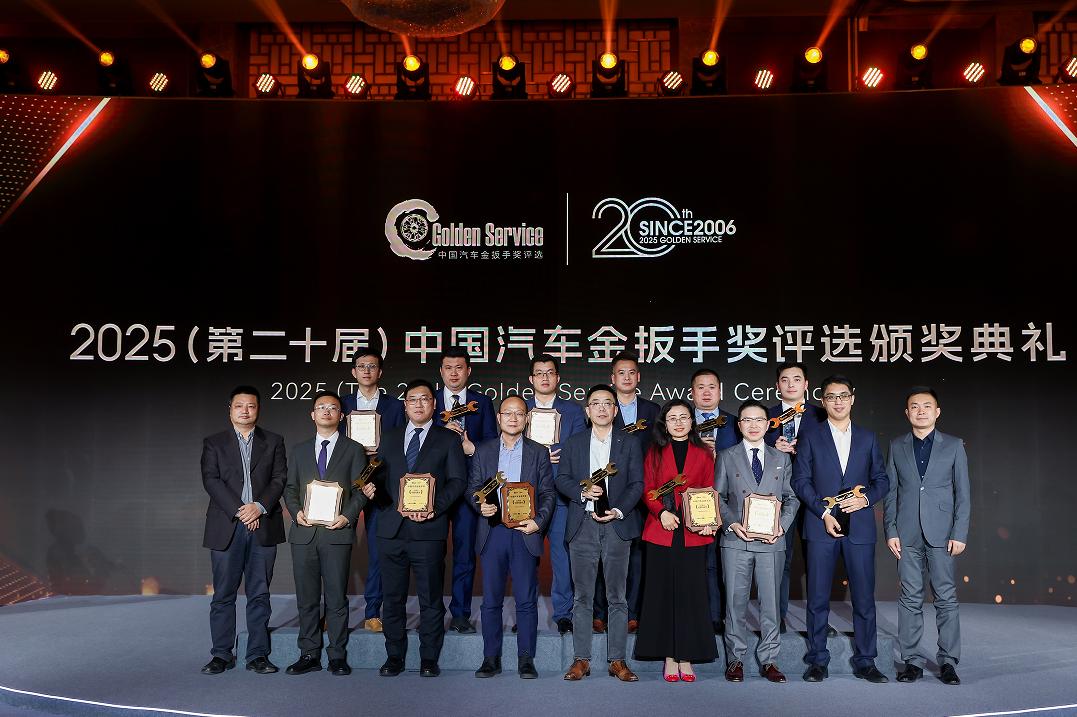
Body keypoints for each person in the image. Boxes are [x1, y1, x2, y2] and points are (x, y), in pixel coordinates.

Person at [792, 375, 890, 683]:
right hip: (820, 525)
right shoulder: (810, 435)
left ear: (852, 398)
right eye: (831, 397)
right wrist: (823, 513)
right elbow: (800, 481)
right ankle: (817, 660)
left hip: (859, 527)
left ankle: (866, 660)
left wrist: (865, 500)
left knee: (863, 599)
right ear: (823, 401)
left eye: (843, 395)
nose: (838, 401)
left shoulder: (867, 437)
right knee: (818, 598)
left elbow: (882, 480)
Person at [373, 379, 467, 678]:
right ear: (405, 405)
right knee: (393, 598)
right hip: (391, 530)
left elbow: (458, 482)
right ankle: (394, 657)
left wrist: (433, 507)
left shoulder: (448, 439)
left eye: (424, 399)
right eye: (412, 399)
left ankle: (428, 658)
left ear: (434, 404)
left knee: (430, 599)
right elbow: (380, 480)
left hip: (428, 530)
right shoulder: (388, 438)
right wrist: (375, 492)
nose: (418, 404)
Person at [283, 391, 374, 676]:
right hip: (304, 533)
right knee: (307, 598)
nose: (326, 411)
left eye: (332, 407)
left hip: (337, 533)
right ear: (312, 415)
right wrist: (296, 511)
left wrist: (347, 517)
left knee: (336, 598)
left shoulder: (354, 449)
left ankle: (337, 655)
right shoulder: (299, 450)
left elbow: (361, 491)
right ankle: (309, 654)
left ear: (341, 415)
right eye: (320, 407)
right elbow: (290, 488)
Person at [557, 385, 643, 683]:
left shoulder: (629, 443)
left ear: (615, 410)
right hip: (582, 525)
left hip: (617, 526)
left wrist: (617, 510)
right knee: (582, 596)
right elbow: (562, 479)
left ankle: (617, 661)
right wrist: (582, 492)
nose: (602, 408)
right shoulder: (574, 442)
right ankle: (581, 660)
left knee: (617, 597)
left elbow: (637, 484)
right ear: (587, 410)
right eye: (596, 403)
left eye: (608, 403)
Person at [884, 387, 970, 686]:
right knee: (909, 598)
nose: (920, 411)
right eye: (914, 406)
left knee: (945, 598)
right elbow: (891, 492)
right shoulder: (896, 445)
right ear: (907, 412)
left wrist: (959, 532)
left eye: (927, 406)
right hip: (906, 533)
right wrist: (891, 530)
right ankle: (912, 661)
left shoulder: (954, 445)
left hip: (943, 533)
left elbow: (963, 493)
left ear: (937, 411)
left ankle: (948, 662)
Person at [200, 385, 286, 675]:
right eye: (239, 406)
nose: (245, 411)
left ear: (258, 409)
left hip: (263, 524)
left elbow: (279, 478)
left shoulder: (273, 441)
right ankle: (221, 654)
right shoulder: (214, 443)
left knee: (259, 593)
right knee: (223, 594)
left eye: (251, 406)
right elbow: (211, 480)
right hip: (228, 526)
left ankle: (257, 655)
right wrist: (242, 510)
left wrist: (259, 507)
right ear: (230, 410)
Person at [468, 396, 556, 679]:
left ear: (526, 419)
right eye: (508, 413)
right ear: (499, 418)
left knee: (526, 600)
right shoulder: (483, 451)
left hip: (524, 532)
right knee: (491, 600)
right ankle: (490, 658)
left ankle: (526, 659)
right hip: (492, 532)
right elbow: (472, 488)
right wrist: (480, 505)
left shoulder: (538, 452)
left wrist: (538, 522)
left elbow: (548, 493)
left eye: (519, 413)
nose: (513, 418)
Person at [716, 399, 800, 684]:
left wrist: (782, 525)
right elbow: (718, 497)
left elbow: (792, 497)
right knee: (735, 603)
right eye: (747, 420)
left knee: (771, 604)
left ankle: (770, 659)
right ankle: (735, 659)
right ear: (739, 425)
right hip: (736, 540)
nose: (753, 425)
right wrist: (732, 523)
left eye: (759, 420)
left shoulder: (782, 458)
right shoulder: (726, 456)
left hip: (771, 541)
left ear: (768, 424)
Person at [634, 400, 717, 682]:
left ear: (692, 422)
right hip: (662, 528)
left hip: (694, 531)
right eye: (672, 418)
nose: (679, 423)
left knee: (691, 593)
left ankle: (687, 655)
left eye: (684, 417)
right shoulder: (655, 452)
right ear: (665, 424)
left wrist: (707, 522)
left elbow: (710, 489)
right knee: (662, 592)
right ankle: (670, 656)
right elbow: (647, 488)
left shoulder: (704, 453)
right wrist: (661, 513)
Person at [340, 351, 406, 633]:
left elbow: (402, 443)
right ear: (353, 372)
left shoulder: (395, 406)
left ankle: (372, 612)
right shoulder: (342, 404)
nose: (366, 370)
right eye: (361, 366)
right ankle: (334, 612)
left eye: (372, 366)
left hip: (381, 483)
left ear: (380, 372)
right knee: (336, 549)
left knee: (379, 549)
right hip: (346, 483)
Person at [434, 346, 497, 634]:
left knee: (465, 554)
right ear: (441, 371)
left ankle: (460, 614)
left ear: (468, 371)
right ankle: (433, 612)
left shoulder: (482, 403)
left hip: (470, 488)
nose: (454, 373)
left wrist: (473, 448)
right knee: (431, 554)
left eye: (459, 367)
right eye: (448, 368)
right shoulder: (429, 401)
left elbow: (493, 444)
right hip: (435, 487)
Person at [596, 351, 660, 634]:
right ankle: (600, 612)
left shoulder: (652, 410)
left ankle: (633, 612)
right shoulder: (603, 407)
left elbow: (659, 449)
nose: (626, 377)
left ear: (638, 377)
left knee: (636, 555)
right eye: (621, 373)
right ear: (613, 378)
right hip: (609, 490)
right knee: (603, 553)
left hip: (642, 491)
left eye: (631, 372)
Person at [524, 354, 587, 635]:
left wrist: (561, 456)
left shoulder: (572, 411)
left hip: (561, 495)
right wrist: (538, 456)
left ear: (558, 378)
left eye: (550, 372)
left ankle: (564, 614)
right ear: (531, 379)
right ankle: (526, 611)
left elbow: (578, 448)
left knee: (562, 556)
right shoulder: (521, 409)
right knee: (526, 557)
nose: (545, 378)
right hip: (526, 496)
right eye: (539, 373)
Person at [765, 361, 827, 633]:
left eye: (797, 379)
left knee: (818, 560)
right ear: (777, 385)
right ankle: (777, 618)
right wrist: (772, 447)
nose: (791, 384)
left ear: (806, 384)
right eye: (785, 380)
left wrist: (807, 448)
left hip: (815, 494)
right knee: (782, 558)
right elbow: (751, 452)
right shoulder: (765, 416)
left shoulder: (822, 415)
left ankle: (818, 622)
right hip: (778, 496)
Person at [690, 368, 739, 634]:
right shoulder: (682, 421)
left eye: (712, 387)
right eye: (701, 387)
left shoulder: (735, 423)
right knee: (698, 562)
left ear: (720, 391)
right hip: (692, 502)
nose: (706, 392)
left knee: (724, 563)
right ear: (692, 392)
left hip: (729, 501)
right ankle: (700, 616)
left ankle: (722, 616)